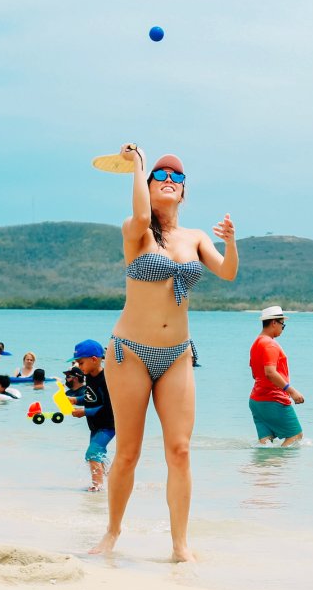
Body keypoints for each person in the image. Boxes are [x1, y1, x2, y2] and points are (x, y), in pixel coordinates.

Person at [90, 144, 238, 561]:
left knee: (180, 449)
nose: (169, 181)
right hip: (129, 353)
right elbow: (141, 215)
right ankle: (112, 534)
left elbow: (227, 272)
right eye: (160, 177)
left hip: (176, 354)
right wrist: (137, 164)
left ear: (184, 193)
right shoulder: (135, 231)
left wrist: (232, 241)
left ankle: (180, 546)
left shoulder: (195, 238)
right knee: (129, 452)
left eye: (177, 179)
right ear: (148, 186)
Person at [249, 305, 305, 446]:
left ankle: (266, 467)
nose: (282, 328)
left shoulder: (256, 343)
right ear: (274, 322)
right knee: (296, 435)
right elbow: (270, 373)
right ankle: (279, 466)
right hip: (274, 399)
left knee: (266, 443)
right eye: (282, 324)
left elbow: (255, 374)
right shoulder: (270, 344)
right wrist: (291, 391)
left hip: (256, 401)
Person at [68, 340, 116, 493]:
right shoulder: (89, 376)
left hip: (108, 425)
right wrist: (76, 400)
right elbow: (91, 398)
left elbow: (108, 408)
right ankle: (111, 480)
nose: (78, 367)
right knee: (98, 455)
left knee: (92, 453)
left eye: (80, 363)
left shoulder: (106, 379)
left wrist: (84, 412)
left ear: (94, 359)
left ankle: (97, 486)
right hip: (95, 425)